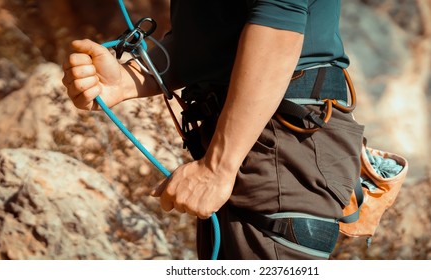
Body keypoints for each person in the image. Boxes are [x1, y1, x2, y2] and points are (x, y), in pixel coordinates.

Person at [62, 0, 364, 260]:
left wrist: (218, 166)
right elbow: (205, 43)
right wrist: (128, 80)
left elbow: (279, 28)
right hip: (247, 142)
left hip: (280, 146)